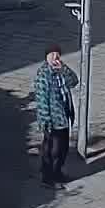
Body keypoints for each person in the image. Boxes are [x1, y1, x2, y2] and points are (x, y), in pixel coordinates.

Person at [32, 45, 79, 189]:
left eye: (57, 54)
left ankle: (57, 173)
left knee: (63, 149)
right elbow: (41, 100)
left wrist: (63, 68)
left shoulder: (60, 71)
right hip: (52, 120)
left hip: (64, 117)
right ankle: (48, 178)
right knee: (52, 150)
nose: (55, 57)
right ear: (46, 57)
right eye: (52, 55)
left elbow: (74, 81)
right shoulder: (43, 75)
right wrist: (46, 120)